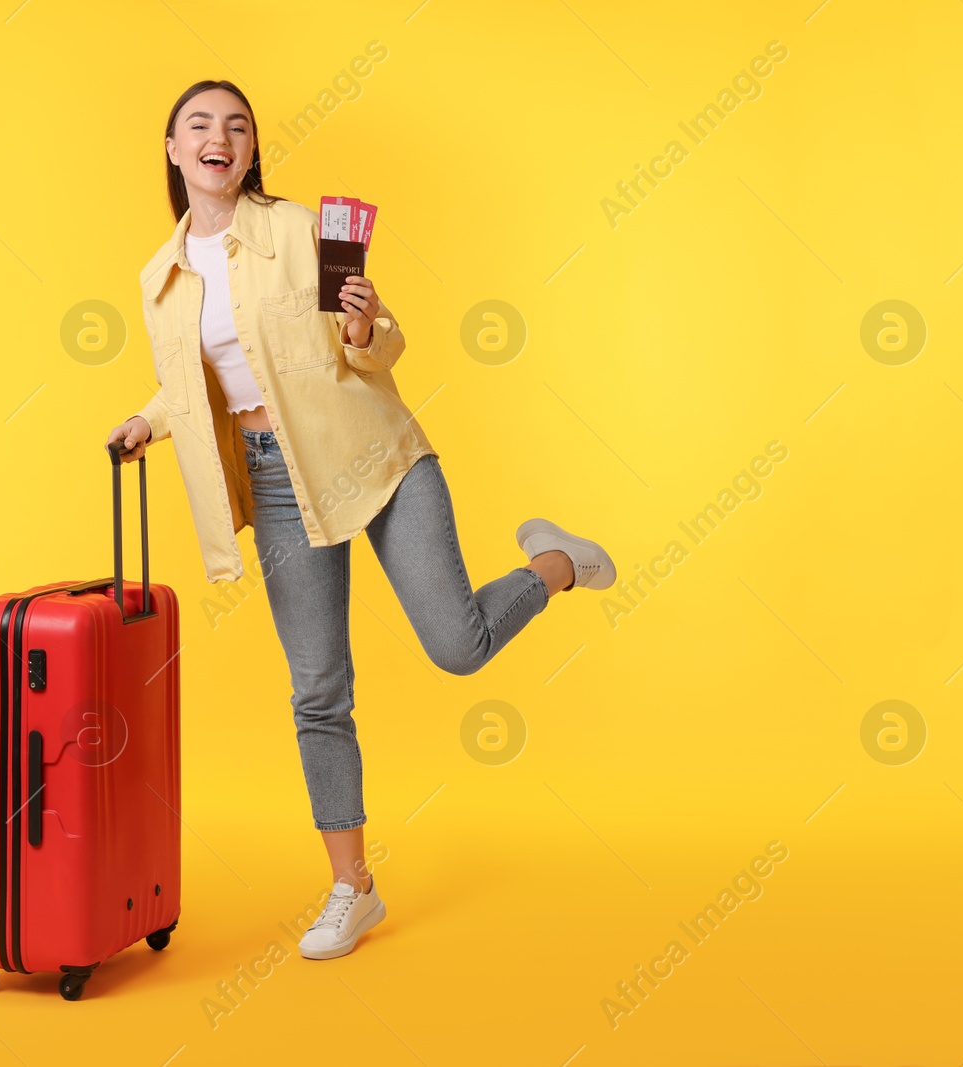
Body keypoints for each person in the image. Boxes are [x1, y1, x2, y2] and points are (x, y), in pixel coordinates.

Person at [105, 80, 615, 961]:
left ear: (250, 149)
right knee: (318, 690)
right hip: (276, 483)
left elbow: (381, 345)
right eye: (200, 125)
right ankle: (353, 887)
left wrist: (366, 322)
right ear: (174, 150)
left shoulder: (305, 230)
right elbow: (199, 376)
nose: (219, 137)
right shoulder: (162, 278)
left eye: (237, 125)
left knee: (457, 646)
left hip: (373, 454)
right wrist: (148, 419)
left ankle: (555, 564)